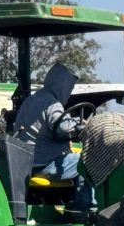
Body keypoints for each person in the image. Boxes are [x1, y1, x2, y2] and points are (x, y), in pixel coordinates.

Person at [15, 62, 92, 210]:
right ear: (62, 86)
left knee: (78, 157)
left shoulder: (32, 99)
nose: (69, 93)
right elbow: (64, 127)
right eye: (70, 88)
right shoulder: (52, 103)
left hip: (28, 163)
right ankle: (85, 207)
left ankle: (72, 200)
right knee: (89, 160)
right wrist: (80, 124)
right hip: (45, 163)